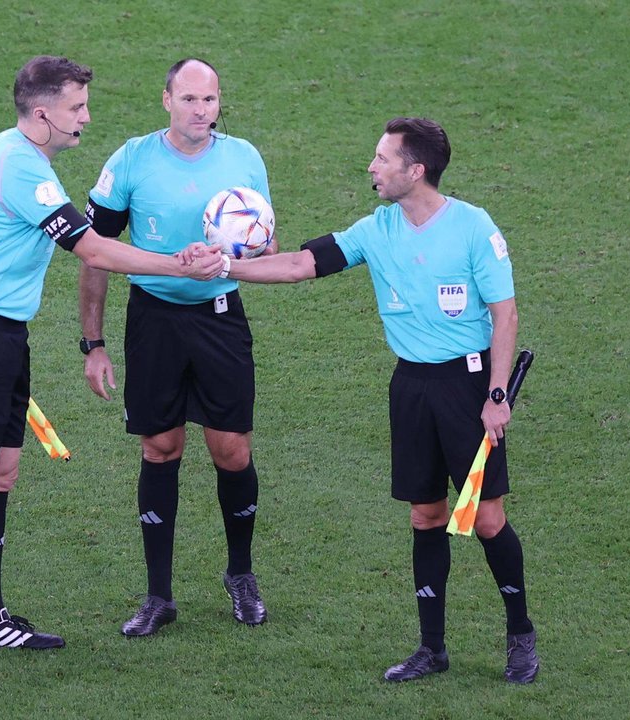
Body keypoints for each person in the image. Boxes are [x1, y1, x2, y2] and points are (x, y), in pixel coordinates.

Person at [0, 55, 223, 675]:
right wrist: (179, 263)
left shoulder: (23, 155)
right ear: (42, 113)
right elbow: (89, 247)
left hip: (3, 338)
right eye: (77, 108)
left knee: (2, 473)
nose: (86, 118)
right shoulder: (19, 167)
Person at [217, 117, 540, 683]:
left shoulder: (472, 227)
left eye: (382, 158)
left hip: (468, 389)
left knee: (488, 519)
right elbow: (300, 264)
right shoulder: (377, 228)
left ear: (415, 171)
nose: (372, 167)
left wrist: (496, 394)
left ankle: (520, 635)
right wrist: (225, 267)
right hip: (411, 388)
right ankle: (431, 648)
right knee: (426, 514)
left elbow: (504, 313)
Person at [79, 58, 278, 636]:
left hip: (219, 318)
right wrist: (93, 342)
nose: (201, 112)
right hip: (154, 321)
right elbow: (94, 251)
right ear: (166, 99)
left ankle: (240, 574)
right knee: (160, 447)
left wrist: (233, 257)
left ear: (220, 104)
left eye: (210, 101)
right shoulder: (132, 161)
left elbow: (266, 244)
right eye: (189, 100)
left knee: (232, 450)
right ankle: (158, 595)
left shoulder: (244, 159)